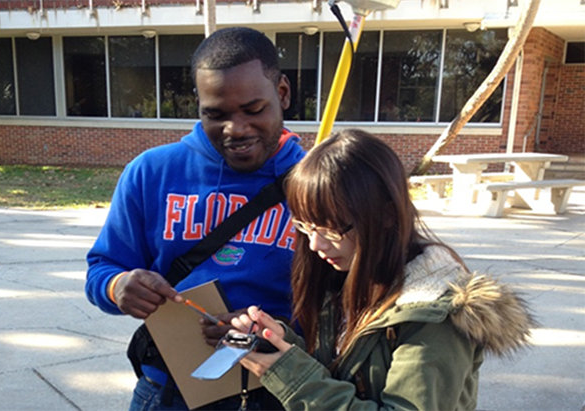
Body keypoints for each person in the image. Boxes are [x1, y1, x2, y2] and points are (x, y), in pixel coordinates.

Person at [231, 129, 536, 410]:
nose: (315, 245)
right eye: (305, 227)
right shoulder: (344, 277)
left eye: (331, 229)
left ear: (387, 213)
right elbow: (341, 374)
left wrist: (294, 378)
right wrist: (278, 342)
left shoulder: (434, 316)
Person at [85, 27, 304, 411]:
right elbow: (102, 269)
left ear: (282, 93)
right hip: (170, 391)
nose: (236, 130)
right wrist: (118, 286)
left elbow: (351, 301)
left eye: (254, 110)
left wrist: (271, 330)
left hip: (280, 391)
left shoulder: (316, 182)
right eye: (215, 115)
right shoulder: (151, 172)